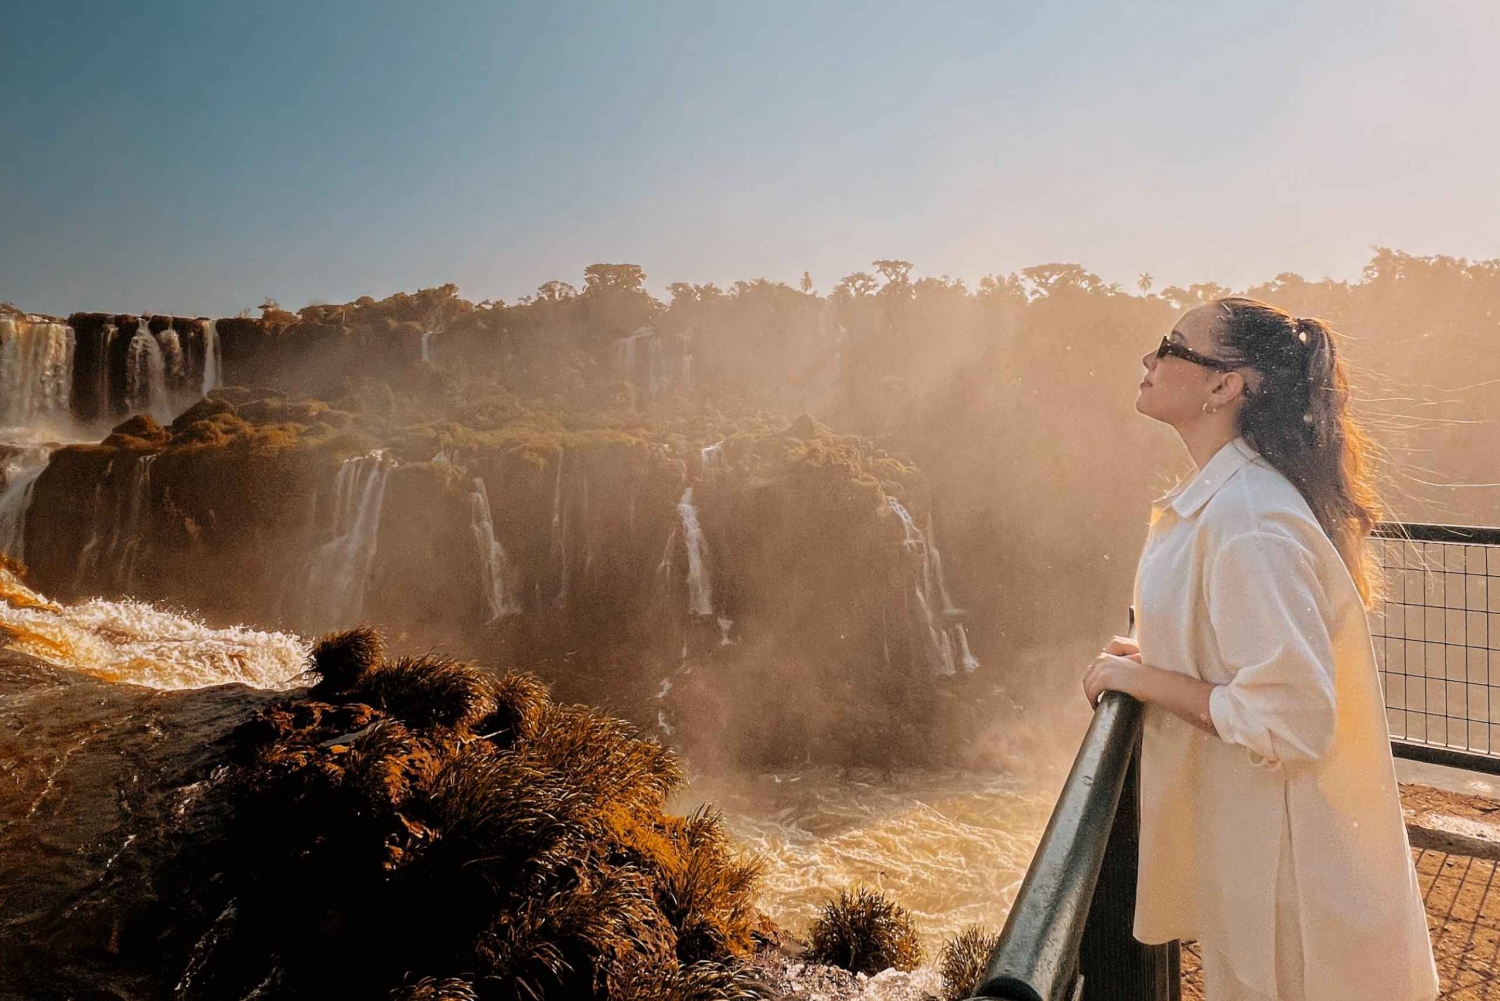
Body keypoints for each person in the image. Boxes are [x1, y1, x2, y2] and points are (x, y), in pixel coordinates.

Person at [1080, 297, 1439, 1001]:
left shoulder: (1249, 517)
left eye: (1171, 345)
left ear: (1225, 385)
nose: (1149, 360)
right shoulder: (1232, 498)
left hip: (1295, 883)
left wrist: (1148, 680)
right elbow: (1241, 644)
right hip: (1266, 855)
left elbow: (1294, 718)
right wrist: (1159, 656)